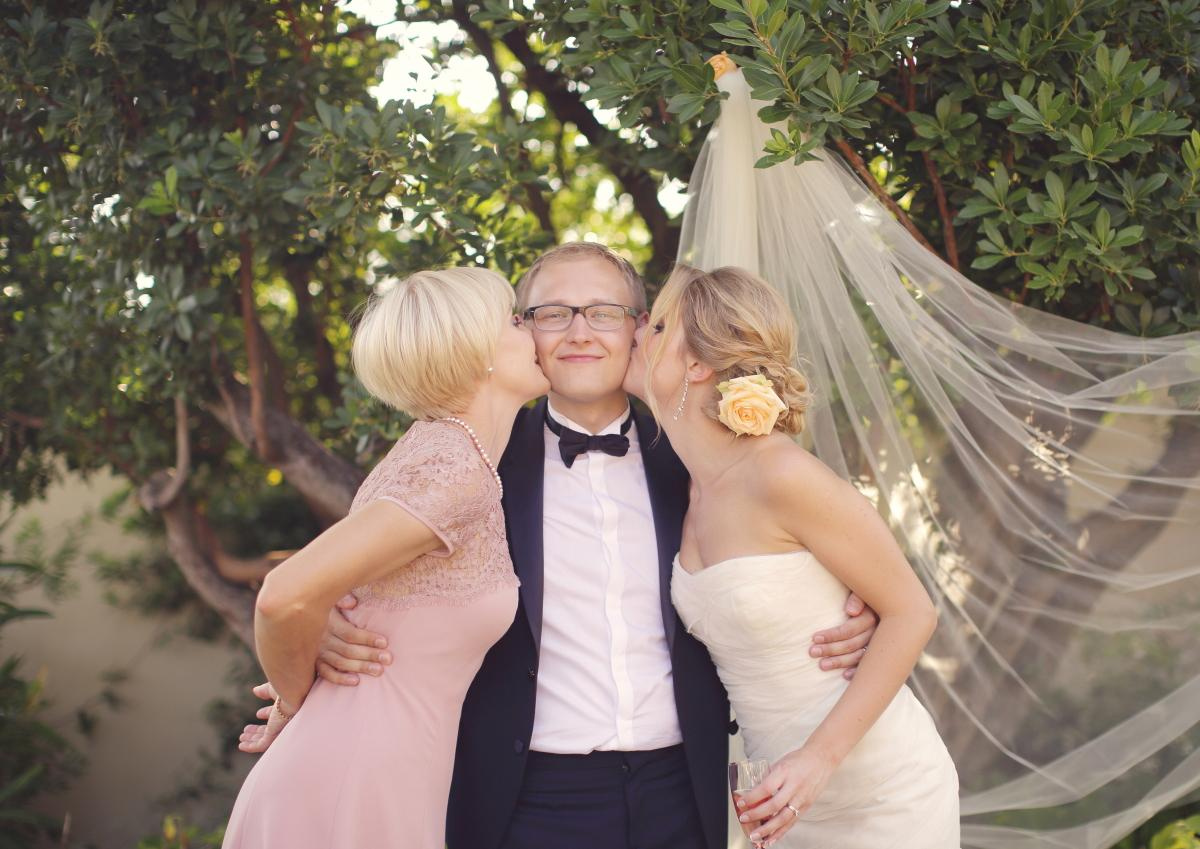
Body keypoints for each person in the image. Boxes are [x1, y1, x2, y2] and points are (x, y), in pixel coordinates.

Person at [291, 243, 879, 849]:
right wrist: (329, 626)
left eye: (603, 311)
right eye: (552, 313)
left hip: (684, 789)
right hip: (525, 797)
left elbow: (798, 552)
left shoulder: (699, 458)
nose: (579, 332)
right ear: (522, 334)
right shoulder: (473, 460)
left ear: (637, 330)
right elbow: (348, 576)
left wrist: (843, 607)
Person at [626, 263, 959, 849]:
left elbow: (913, 611)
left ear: (698, 365)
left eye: (654, 328)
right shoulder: (686, 487)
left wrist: (817, 760)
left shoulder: (780, 473)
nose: (634, 334)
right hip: (774, 800)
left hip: (878, 789)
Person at [222, 267, 550, 848]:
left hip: (389, 770)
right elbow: (284, 594)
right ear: (478, 353)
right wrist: (296, 702)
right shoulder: (453, 470)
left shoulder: (444, 451)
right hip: (356, 773)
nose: (535, 330)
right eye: (516, 319)